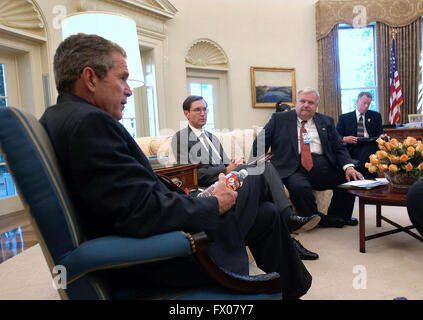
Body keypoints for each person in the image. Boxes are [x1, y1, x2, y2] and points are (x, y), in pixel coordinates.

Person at [39, 33, 311, 300]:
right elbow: (141, 213)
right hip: (172, 252)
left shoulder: (61, 117)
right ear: (90, 78)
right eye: (122, 78)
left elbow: (131, 199)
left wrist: (198, 197)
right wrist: (212, 203)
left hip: (173, 222)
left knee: (265, 214)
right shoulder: (90, 124)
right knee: (256, 175)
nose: (129, 89)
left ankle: (290, 290)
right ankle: (291, 275)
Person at [172, 95, 321, 260]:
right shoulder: (181, 138)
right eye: (197, 110)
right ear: (186, 113)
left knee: (265, 167)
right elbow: (192, 173)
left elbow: (224, 162)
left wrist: (235, 163)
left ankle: (287, 229)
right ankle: (289, 224)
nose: (203, 113)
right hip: (213, 186)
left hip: (229, 178)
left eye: (205, 109)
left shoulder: (211, 137)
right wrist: (227, 169)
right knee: (263, 177)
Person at [251, 87, 364, 228]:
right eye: (302, 101)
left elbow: (338, 147)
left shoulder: (326, 121)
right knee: (299, 187)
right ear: (296, 102)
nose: (306, 105)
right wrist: (254, 164)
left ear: (316, 105)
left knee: (350, 178)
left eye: (310, 102)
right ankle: (319, 219)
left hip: (322, 164)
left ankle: (339, 216)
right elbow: (260, 142)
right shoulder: (279, 119)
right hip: (292, 166)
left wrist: (348, 167)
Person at [336, 92, 388, 178]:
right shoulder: (345, 118)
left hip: (370, 145)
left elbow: (379, 133)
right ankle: (366, 174)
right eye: (364, 103)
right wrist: (344, 139)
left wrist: (382, 137)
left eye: (369, 104)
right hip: (353, 146)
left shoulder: (375, 116)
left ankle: (360, 171)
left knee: (370, 146)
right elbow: (336, 135)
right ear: (357, 102)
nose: (367, 106)